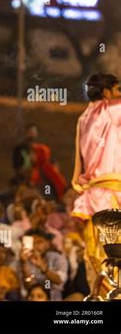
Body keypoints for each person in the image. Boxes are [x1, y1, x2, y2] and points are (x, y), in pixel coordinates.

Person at [71, 73, 121, 296]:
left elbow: (78, 166)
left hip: (91, 198)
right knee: (116, 260)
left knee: (97, 259)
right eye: (118, 91)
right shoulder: (111, 111)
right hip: (112, 196)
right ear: (106, 93)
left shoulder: (82, 118)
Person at [19, 229, 68, 301]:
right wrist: (24, 263)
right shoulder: (25, 259)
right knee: (36, 293)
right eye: (32, 243)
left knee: (46, 286)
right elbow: (30, 286)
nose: (35, 246)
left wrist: (43, 267)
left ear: (47, 244)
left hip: (53, 297)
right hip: (32, 297)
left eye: (39, 242)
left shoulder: (57, 258)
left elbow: (59, 280)